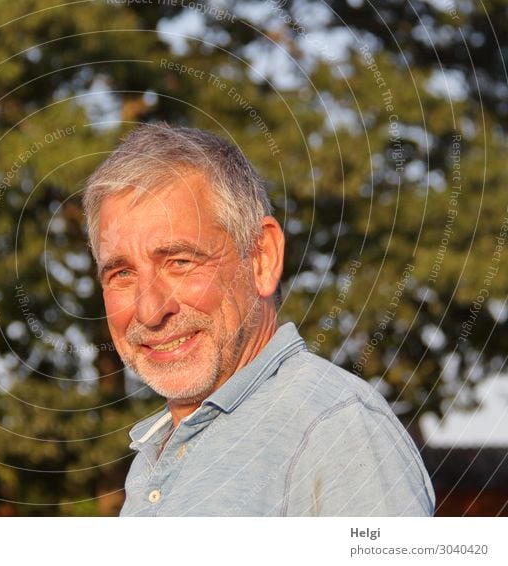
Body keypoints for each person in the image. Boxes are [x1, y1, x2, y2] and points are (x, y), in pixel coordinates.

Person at [83, 124, 435, 516]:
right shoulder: (154, 456)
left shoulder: (335, 430)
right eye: (122, 274)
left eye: (180, 262)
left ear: (262, 258)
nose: (150, 310)